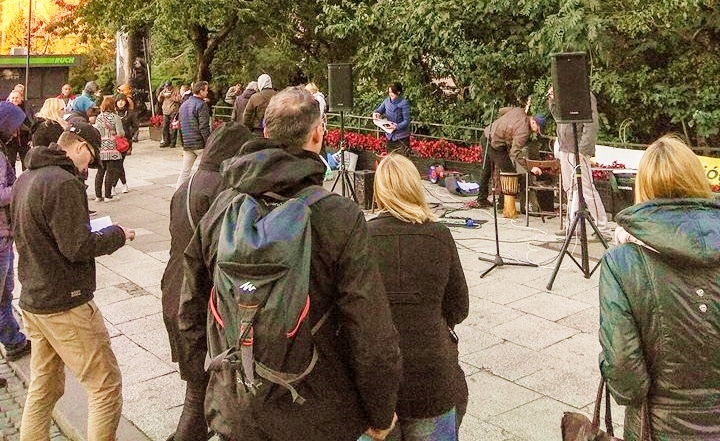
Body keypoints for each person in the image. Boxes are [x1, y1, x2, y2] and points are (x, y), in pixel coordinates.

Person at [178, 86, 401, 441]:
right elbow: (369, 331)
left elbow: (190, 307)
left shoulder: (223, 207)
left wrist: (212, 386)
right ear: (318, 134)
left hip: (238, 410)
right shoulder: (339, 215)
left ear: (266, 132)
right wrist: (381, 411)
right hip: (318, 413)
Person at [11, 122, 135, 441]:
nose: (88, 167)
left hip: (35, 298)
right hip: (64, 302)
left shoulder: (26, 177)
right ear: (79, 146)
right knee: (105, 385)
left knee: (45, 386)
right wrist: (117, 234)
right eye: (90, 158)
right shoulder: (64, 182)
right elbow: (77, 246)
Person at [599, 134, 719, 441]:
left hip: (657, 427)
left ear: (643, 187)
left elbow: (626, 380)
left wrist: (605, 364)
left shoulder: (622, 262)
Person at [161, 121, 254, 441]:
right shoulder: (224, 192)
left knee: (197, 388)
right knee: (200, 394)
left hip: (175, 292)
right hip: (200, 300)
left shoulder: (187, 186)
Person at [366, 153, 469, 440]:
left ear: (379, 191)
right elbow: (459, 307)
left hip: (378, 379)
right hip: (431, 375)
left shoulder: (362, 237)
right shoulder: (439, 235)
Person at [547, 87, 610, 239]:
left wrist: (583, 148)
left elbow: (591, 123)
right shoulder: (564, 93)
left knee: (587, 189)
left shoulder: (585, 94)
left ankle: (603, 228)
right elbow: (559, 117)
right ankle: (573, 225)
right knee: (570, 189)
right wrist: (553, 100)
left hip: (578, 149)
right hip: (565, 148)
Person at [0, 102, 31, 364]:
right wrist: (21, 184)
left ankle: (13, 340)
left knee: (6, 293)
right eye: (13, 126)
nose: (16, 132)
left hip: (4, 234)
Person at [477, 107, 544, 210]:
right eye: (538, 129)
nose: (538, 132)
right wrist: (530, 168)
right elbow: (515, 153)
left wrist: (503, 124)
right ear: (533, 122)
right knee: (509, 172)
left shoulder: (519, 110)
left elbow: (501, 110)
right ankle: (502, 204)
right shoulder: (524, 132)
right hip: (496, 144)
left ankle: (481, 199)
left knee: (486, 169)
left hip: (486, 135)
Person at [176, 81, 210, 188]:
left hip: (187, 143)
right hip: (199, 144)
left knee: (185, 171)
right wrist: (209, 143)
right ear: (201, 91)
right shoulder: (202, 105)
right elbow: (204, 127)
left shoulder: (183, 105)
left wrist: (183, 142)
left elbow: (180, 125)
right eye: (206, 90)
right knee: (207, 170)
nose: (207, 92)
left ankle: (177, 192)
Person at [93, 97, 125, 202]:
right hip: (112, 146)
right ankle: (108, 195)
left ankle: (98, 196)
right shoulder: (115, 117)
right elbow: (121, 133)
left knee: (100, 172)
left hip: (101, 146)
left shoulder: (99, 117)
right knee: (110, 172)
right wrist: (115, 132)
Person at [372, 82, 412, 156]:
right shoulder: (386, 101)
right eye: (389, 92)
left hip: (401, 137)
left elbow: (407, 121)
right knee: (390, 159)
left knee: (402, 160)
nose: (391, 94)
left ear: (398, 92)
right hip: (389, 136)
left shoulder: (404, 103)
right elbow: (379, 110)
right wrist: (376, 114)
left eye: (393, 92)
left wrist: (396, 126)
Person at [5, 90, 35, 170]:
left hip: (24, 140)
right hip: (10, 141)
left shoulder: (26, 108)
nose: (15, 100)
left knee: (26, 163)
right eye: (13, 98)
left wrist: (31, 138)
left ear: (21, 98)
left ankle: (25, 178)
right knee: (10, 163)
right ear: (9, 99)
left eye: (17, 98)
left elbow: (32, 123)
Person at [114, 94, 137, 194]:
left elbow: (135, 126)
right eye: (118, 101)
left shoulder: (130, 113)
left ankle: (115, 185)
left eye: (122, 100)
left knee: (119, 163)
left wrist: (129, 135)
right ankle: (121, 184)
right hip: (114, 141)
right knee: (117, 164)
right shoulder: (113, 113)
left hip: (125, 142)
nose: (120, 102)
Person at [158, 80, 182, 148]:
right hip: (165, 111)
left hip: (173, 111)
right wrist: (161, 95)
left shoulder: (176, 90)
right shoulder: (164, 91)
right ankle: (166, 141)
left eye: (168, 86)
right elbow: (159, 100)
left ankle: (173, 142)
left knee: (173, 127)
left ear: (171, 86)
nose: (167, 88)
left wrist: (171, 96)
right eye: (166, 87)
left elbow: (179, 99)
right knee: (165, 127)